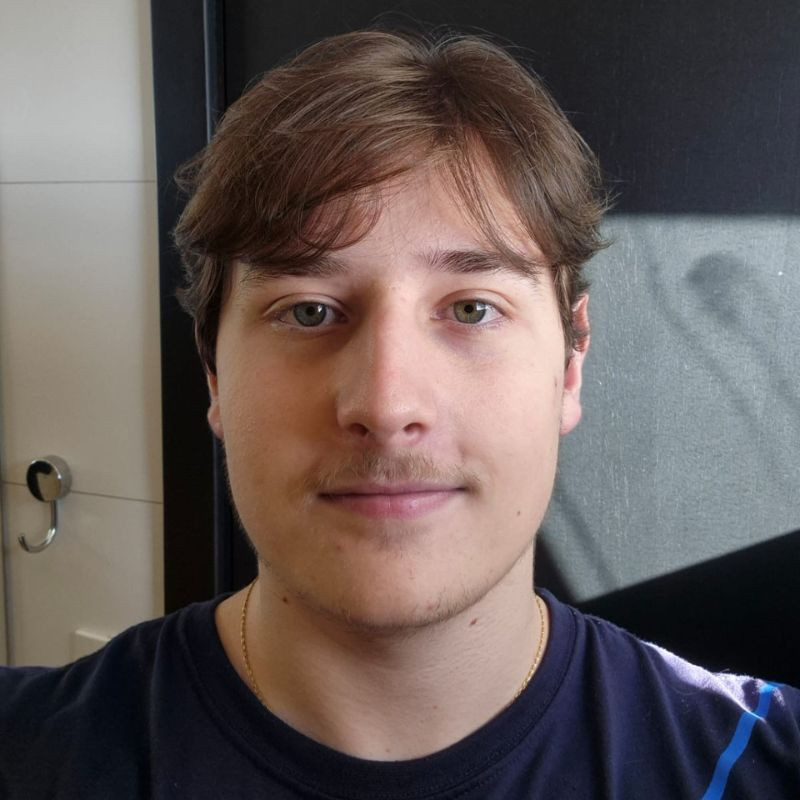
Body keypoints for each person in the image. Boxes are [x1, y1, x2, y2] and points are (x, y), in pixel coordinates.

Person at [1, 27, 798, 800]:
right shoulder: (27, 755)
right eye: (308, 311)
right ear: (215, 374)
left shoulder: (760, 763)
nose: (386, 406)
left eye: (473, 309)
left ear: (569, 365)